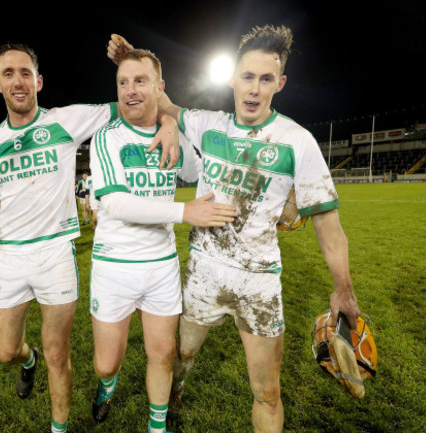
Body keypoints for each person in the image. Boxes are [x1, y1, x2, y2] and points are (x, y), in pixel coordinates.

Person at [0, 43, 180, 433]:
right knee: (7, 351)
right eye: (9, 74)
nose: (19, 81)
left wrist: (168, 122)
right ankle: (25, 362)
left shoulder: (68, 120)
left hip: (55, 254)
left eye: (26, 73)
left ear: (39, 81)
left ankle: (58, 428)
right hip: (9, 257)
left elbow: (141, 103)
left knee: (57, 353)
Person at [108, 26, 361, 433]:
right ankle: (176, 392)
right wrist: (131, 61)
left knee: (267, 393)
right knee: (182, 355)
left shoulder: (298, 141)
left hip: (258, 285)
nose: (254, 89)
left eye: (265, 80)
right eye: (247, 77)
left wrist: (342, 287)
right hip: (202, 274)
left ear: (279, 84)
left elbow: (329, 227)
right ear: (232, 79)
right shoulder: (209, 124)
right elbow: (163, 102)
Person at [89, 48, 237, 433]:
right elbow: (117, 204)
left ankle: (157, 427)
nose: (130, 90)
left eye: (140, 81)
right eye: (123, 82)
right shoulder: (106, 137)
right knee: (106, 362)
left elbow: (201, 172)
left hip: (160, 266)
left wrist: (171, 122)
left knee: (163, 355)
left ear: (159, 87)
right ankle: (108, 384)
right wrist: (184, 212)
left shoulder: (173, 133)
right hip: (114, 266)